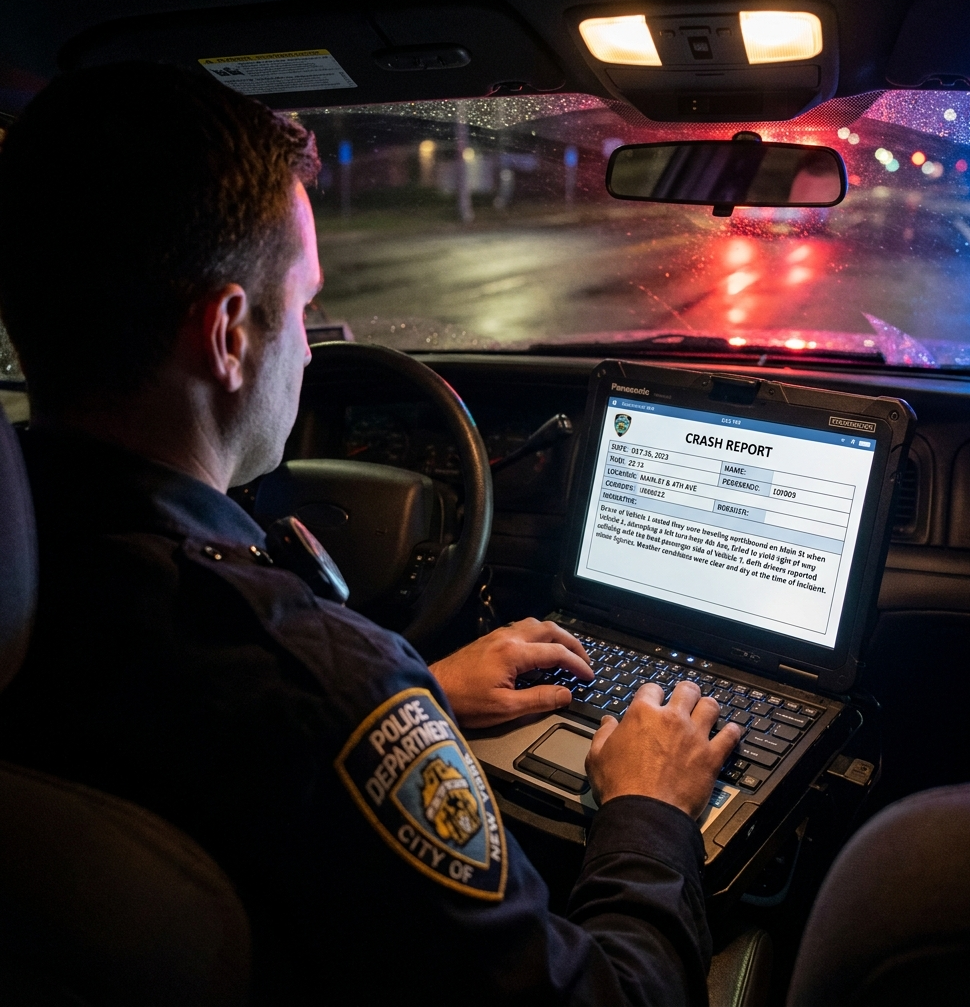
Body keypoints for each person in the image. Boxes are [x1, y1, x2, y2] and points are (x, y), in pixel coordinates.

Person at [0, 63, 743, 1006]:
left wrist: (418, 698)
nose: (311, 348)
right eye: (304, 306)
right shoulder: (322, 687)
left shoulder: (30, 564)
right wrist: (648, 810)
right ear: (229, 334)